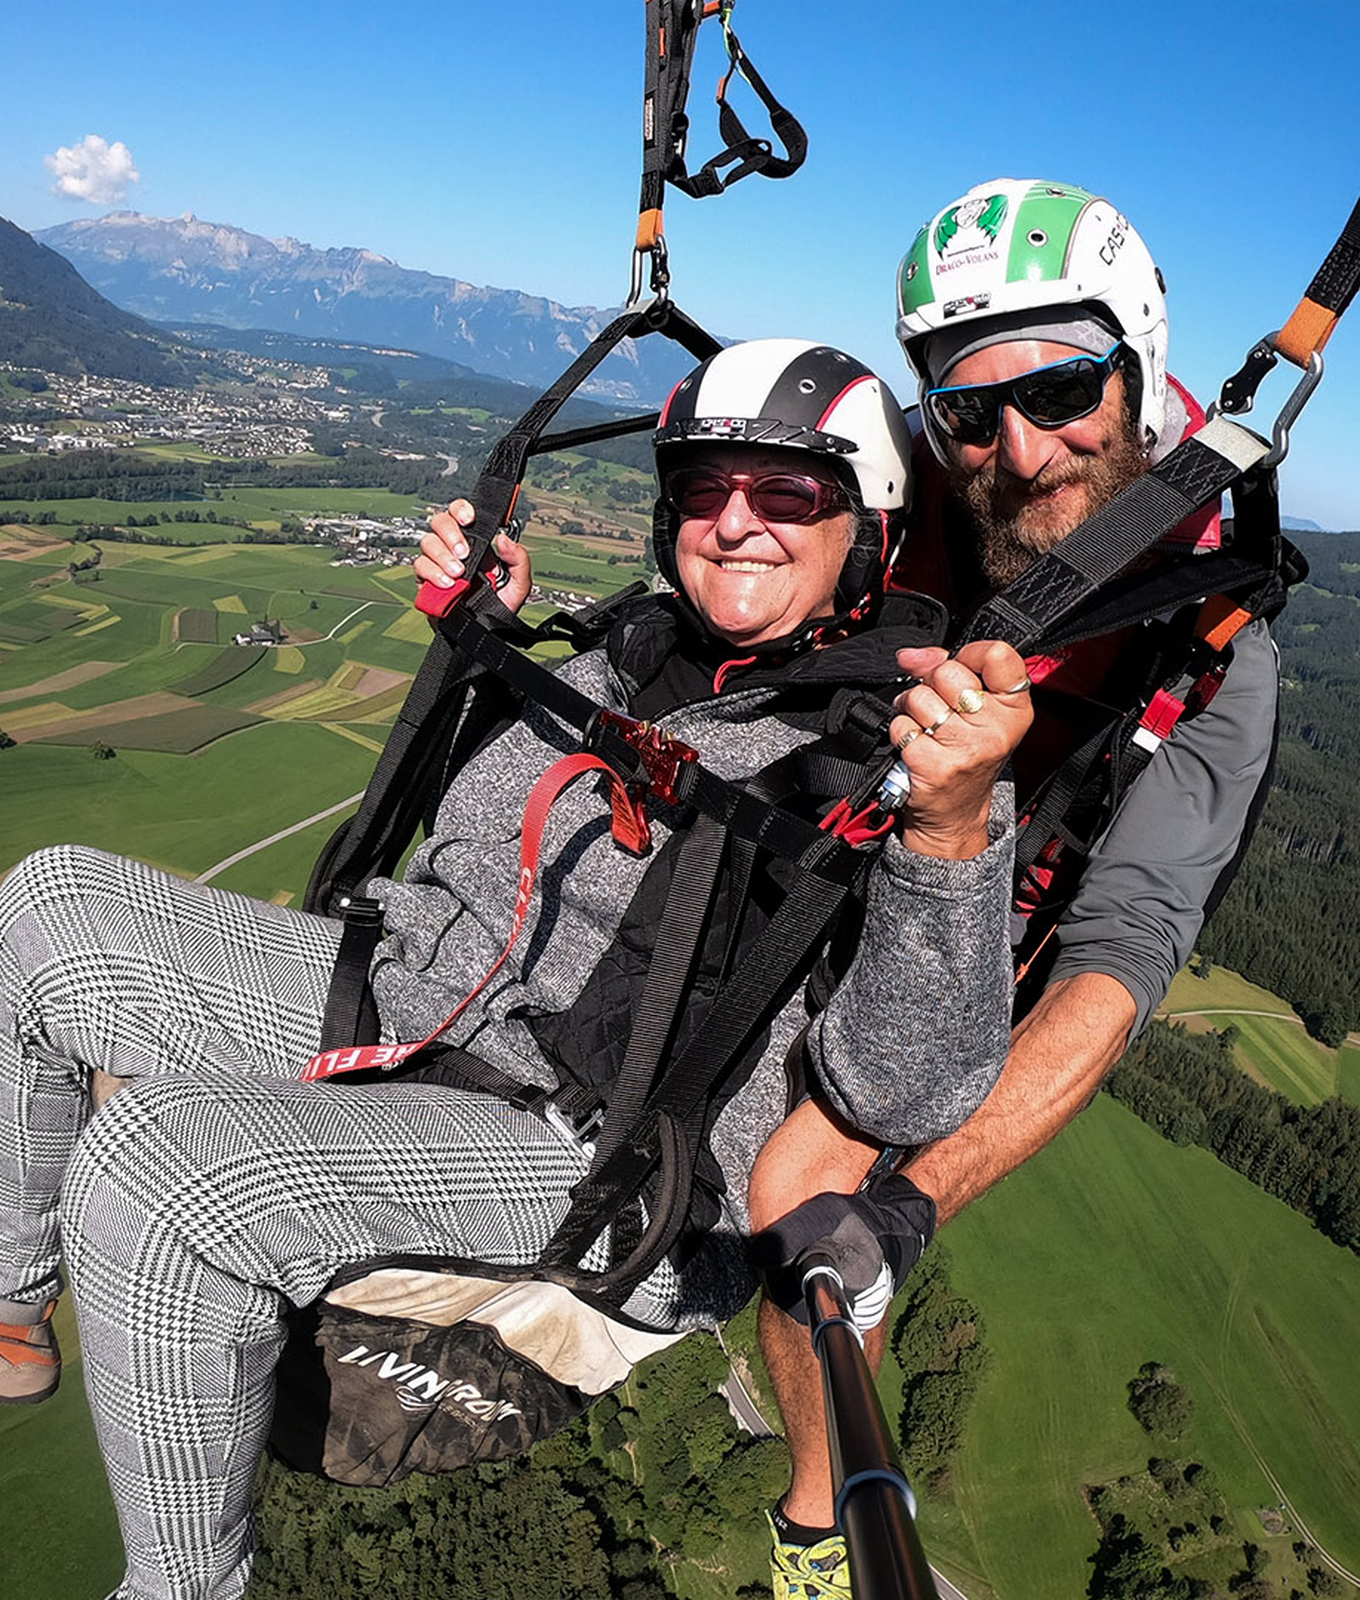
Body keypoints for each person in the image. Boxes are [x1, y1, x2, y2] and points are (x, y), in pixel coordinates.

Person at [0, 337, 1034, 1600]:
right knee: (48, 905)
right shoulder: (630, 648)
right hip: (432, 990)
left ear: (866, 529)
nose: (734, 523)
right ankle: (10, 1299)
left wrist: (948, 833)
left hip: (610, 1152)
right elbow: (482, 844)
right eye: (704, 489)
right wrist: (479, 634)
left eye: (787, 494)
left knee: (158, 1171)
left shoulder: (908, 750)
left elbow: (912, 1086)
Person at [750, 181, 1285, 1596]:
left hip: (980, 933)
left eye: (1060, 391)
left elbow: (1122, 953)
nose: (1021, 448)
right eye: (972, 414)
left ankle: (820, 1524)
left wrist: (915, 1202)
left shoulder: (1212, 639)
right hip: (822, 851)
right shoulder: (925, 486)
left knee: (805, 1212)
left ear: (1135, 370)